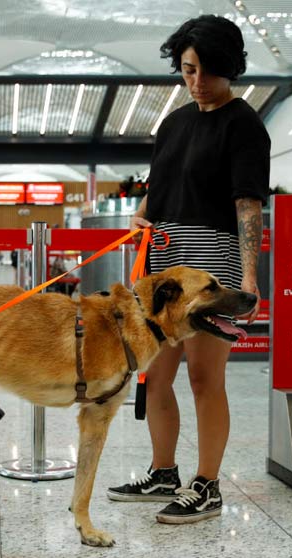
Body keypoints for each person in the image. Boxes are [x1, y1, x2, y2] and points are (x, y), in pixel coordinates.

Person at [107, 15, 270, 524]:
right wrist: (145, 218)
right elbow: (160, 187)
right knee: (154, 374)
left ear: (231, 69)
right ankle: (163, 472)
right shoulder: (174, 122)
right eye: (188, 69)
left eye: (208, 70)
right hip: (165, 263)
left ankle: (208, 486)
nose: (197, 81)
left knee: (205, 378)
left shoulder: (244, 124)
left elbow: (248, 205)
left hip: (214, 260)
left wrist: (248, 276)